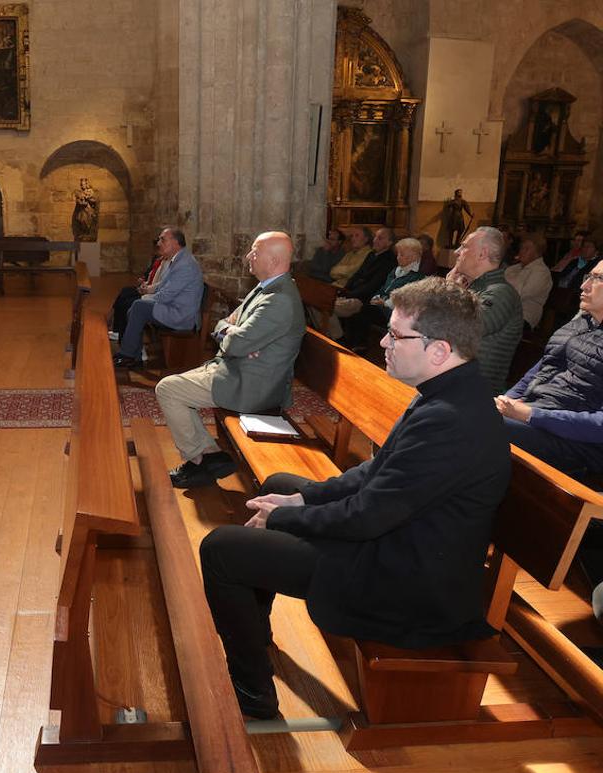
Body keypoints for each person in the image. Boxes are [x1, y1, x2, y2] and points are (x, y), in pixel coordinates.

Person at [199, 277, 510, 719]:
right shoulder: (448, 395)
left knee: (220, 550)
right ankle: (254, 631)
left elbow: (367, 516)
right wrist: (300, 502)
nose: (383, 340)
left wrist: (284, 520)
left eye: (396, 334)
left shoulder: (451, 420)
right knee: (279, 485)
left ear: (439, 350)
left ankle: (252, 692)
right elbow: (375, 472)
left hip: (405, 582)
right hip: (398, 542)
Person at [496, 262, 603, 649]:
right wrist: (507, 399)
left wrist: (532, 414)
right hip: (535, 420)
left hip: (580, 447)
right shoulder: (579, 323)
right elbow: (541, 370)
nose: (585, 284)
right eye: (588, 275)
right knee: (448, 407)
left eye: (597, 278)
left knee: (469, 426)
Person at [155, 231, 304, 488]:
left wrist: (234, 337)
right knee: (173, 385)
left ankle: (201, 458)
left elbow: (235, 342)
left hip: (252, 385)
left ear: (274, 260)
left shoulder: (279, 300)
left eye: (255, 252)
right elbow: (224, 324)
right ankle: (206, 457)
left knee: (168, 389)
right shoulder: (266, 288)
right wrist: (232, 333)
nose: (248, 256)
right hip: (237, 369)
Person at [446, 226, 523, 394]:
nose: (457, 252)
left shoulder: (501, 292)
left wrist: (450, 290)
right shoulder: (473, 288)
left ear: (482, 254)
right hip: (454, 383)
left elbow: (463, 329)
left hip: (474, 393)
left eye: (464, 246)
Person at [113, 228, 204, 368]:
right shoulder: (179, 259)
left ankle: (128, 355)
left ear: (175, 242)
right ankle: (133, 355)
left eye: (163, 239)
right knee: (136, 307)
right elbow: (164, 284)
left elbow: (166, 296)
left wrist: (146, 297)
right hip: (174, 307)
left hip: (181, 315)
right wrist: (148, 293)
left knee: (138, 306)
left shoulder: (185, 264)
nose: (159, 243)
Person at [332, 227, 396, 347]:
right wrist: (345, 290)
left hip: (365, 298)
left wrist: (349, 294)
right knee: (321, 303)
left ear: (389, 243)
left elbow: (373, 285)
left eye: (380, 238)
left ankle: (339, 339)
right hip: (353, 293)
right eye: (375, 237)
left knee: (328, 306)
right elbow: (357, 275)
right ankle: (334, 337)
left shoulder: (389, 261)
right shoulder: (371, 254)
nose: (375, 240)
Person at [109, 237, 163, 341]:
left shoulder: (169, 263)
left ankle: (125, 336)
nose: (156, 250)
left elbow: (161, 284)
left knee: (128, 302)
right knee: (125, 292)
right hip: (149, 289)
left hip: (153, 294)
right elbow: (150, 274)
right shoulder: (157, 260)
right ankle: (118, 330)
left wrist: (146, 289)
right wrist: (144, 282)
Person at [504, 237, 553, 333]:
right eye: (521, 248)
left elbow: (519, 294)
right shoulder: (513, 269)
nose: (521, 251)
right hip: (503, 311)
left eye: (526, 249)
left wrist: (503, 288)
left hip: (523, 317)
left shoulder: (542, 272)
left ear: (537, 253)